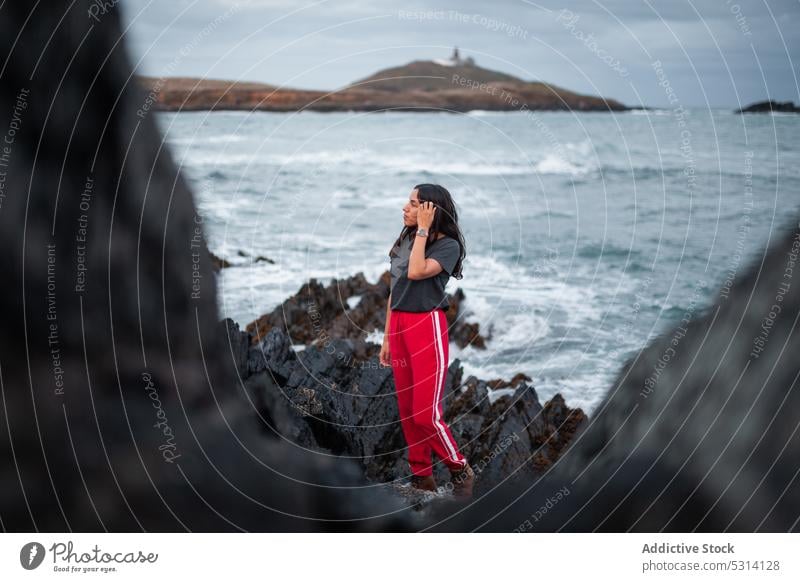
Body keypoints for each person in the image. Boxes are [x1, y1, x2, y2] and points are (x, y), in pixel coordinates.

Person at [379, 183, 475, 499]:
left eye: (413, 203)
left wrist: (422, 230)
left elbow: (418, 271)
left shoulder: (447, 246)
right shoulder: (407, 238)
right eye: (407, 202)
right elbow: (396, 288)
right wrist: (387, 337)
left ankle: (460, 468)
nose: (405, 208)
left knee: (425, 413)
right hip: (400, 326)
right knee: (407, 410)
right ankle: (422, 478)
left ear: (430, 210)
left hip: (426, 326)